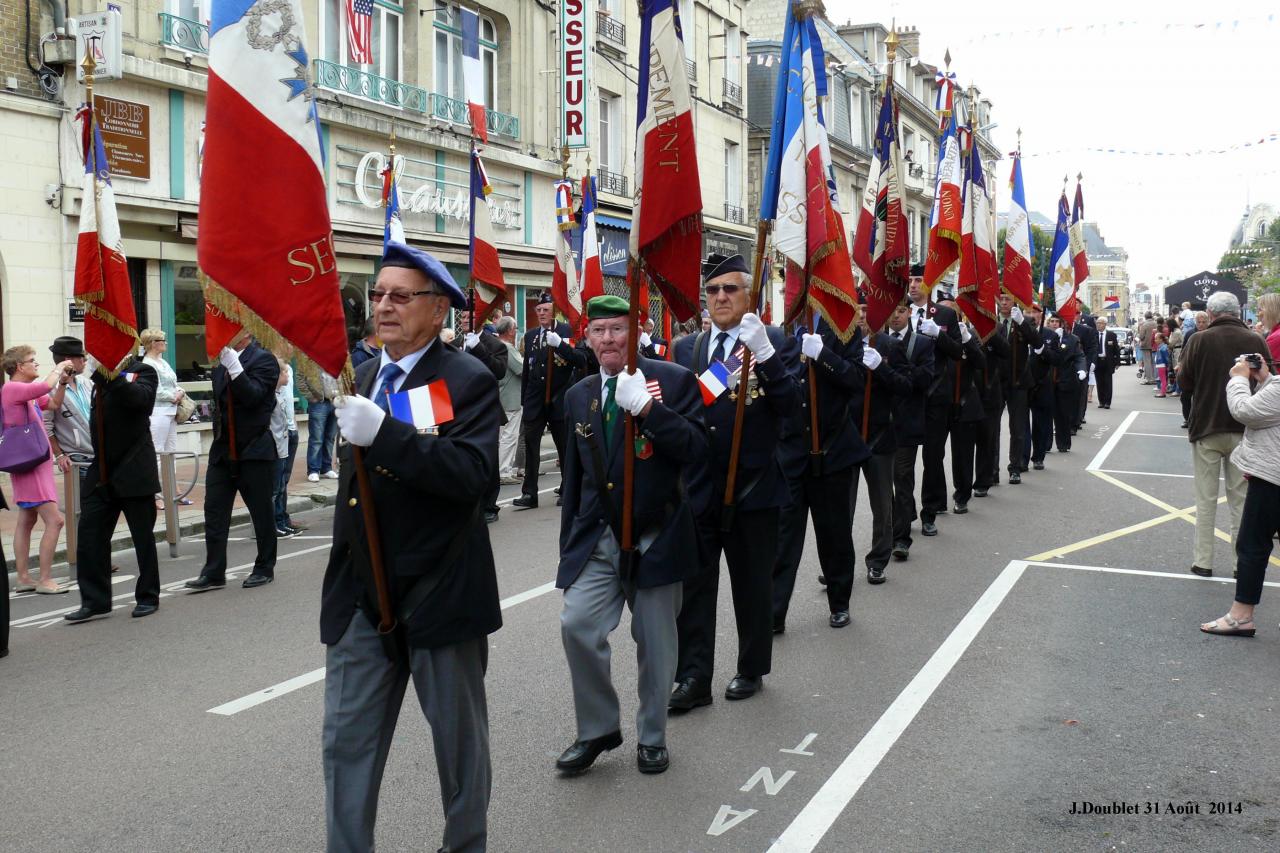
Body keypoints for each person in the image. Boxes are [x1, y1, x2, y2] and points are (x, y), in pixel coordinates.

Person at [322, 241, 500, 852]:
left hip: (439, 594)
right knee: (345, 746)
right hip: (362, 599)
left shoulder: (465, 379)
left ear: (438, 310)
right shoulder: (365, 374)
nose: (384, 306)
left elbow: (471, 476)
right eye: (378, 295)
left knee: (459, 749)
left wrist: (386, 435)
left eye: (401, 296)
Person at [554, 294, 706, 776]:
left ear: (635, 331)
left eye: (617, 329)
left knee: (656, 644)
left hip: (655, 537)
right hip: (598, 540)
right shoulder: (579, 395)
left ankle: (653, 736)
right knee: (577, 625)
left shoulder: (673, 380)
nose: (608, 340)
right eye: (598, 331)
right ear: (587, 338)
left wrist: (647, 411)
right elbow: (575, 480)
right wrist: (568, 550)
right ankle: (598, 727)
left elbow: (697, 449)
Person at [671, 252, 799, 707]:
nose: (720, 297)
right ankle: (694, 678)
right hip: (701, 486)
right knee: (695, 588)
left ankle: (751, 667)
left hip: (754, 486)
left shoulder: (775, 341)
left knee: (752, 587)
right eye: (712, 290)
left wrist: (765, 355)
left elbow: (792, 408)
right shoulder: (687, 348)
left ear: (750, 294)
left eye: (730, 288)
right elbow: (684, 412)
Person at [772, 315, 870, 631]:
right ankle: (774, 611)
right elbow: (745, 374)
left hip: (832, 450)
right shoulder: (779, 333)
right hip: (790, 452)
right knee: (782, 539)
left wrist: (824, 356)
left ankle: (840, 602)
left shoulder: (844, 330)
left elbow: (857, 379)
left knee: (834, 534)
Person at [1176, 291, 1268, 578]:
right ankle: (1240, 564)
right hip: (1244, 428)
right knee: (1240, 501)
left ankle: (1203, 561)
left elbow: (1185, 382)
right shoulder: (1255, 340)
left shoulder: (1199, 340)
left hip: (1206, 425)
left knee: (1205, 499)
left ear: (1212, 314)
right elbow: (1268, 382)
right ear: (1237, 312)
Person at [63, 356, 162, 622]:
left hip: (134, 468)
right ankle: (95, 601)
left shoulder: (143, 371)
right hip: (102, 470)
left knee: (143, 538)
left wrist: (108, 374)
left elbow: (139, 401)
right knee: (89, 536)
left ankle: (148, 595)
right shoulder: (98, 378)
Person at [185, 331, 280, 592]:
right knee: (214, 512)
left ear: (246, 332)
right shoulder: (221, 364)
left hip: (253, 449)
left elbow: (253, 397)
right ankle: (214, 571)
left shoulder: (264, 360)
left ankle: (264, 567)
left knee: (261, 512)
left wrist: (235, 367)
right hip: (223, 450)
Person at [1198, 353, 1279, 637]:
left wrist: (1238, 379)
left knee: (1252, 545)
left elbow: (1245, 411)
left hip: (1273, 475)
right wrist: (1266, 379)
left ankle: (1241, 616)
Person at [2, 346, 71, 595]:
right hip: (30, 464)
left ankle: (23, 577)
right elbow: (43, 387)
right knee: (56, 520)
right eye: (32, 361)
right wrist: (60, 367)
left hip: (34, 462)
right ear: (20, 367)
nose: (36, 364)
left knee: (27, 519)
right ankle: (44, 579)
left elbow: (52, 403)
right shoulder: (13, 388)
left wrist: (62, 383)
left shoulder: (26, 393)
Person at [849, 309, 912, 582]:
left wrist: (881, 368)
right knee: (841, 507)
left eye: (867, 310)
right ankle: (837, 563)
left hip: (879, 436)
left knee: (882, 504)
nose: (863, 316)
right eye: (858, 311)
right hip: (847, 437)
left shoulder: (890, 346)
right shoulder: (841, 344)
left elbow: (906, 386)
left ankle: (877, 559)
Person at [905, 269, 965, 536]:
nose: (914, 285)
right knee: (903, 462)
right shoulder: (898, 311)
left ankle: (929, 512)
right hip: (906, 396)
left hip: (935, 396)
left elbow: (958, 352)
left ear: (928, 284)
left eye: (919, 280)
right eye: (911, 281)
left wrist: (939, 335)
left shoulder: (944, 315)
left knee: (932, 457)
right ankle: (904, 512)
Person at [514, 292, 586, 509]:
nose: (542, 314)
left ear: (554, 310)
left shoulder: (567, 331)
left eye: (546, 309)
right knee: (531, 447)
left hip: (559, 398)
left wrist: (561, 346)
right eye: (539, 310)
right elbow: (528, 369)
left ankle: (567, 489)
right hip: (535, 400)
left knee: (564, 447)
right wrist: (524, 399)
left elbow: (581, 360)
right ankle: (529, 493)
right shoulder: (531, 336)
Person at [887, 302, 936, 562]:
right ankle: (893, 527)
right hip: (881, 423)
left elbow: (925, 378)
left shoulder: (922, 343)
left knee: (902, 478)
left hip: (908, 421)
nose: (895, 316)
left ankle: (901, 539)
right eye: (892, 311)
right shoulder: (878, 339)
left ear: (909, 313)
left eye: (900, 311)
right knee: (884, 484)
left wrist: (897, 367)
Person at [932, 291, 987, 514]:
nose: (947, 313)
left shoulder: (969, 334)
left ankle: (962, 495)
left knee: (963, 455)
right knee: (934, 455)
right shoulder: (934, 334)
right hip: (941, 402)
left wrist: (967, 340)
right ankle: (937, 500)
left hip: (964, 402)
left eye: (951, 309)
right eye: (943, 308)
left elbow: (981, 363)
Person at [459, 310, 508, 524]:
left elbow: (498, 371)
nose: (466, 320)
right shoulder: (454, 344)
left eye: (471, 317)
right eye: (462, 317)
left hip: (485, 409)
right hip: (460, 410)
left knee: (488, 457)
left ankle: (489, 505)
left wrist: (477, 348)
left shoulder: (495, 345)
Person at [995, 296, 1040, 482]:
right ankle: (992, 470)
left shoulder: (1025, 321)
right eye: (1001, 299)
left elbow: (1036, 342)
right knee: (991, 429)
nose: (1004, 303)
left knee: (1018, 427)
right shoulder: (990, 320)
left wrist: (1021, 322)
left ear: (1015, 302)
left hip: (1018, 381)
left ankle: (1015, 467)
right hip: (995, 381)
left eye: (1008, 299)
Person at [43, 336, 95, 494]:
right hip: (77, 458)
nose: (85, 361)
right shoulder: (48, 387)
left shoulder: (87, 382)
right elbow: (46, 425)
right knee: (82, 507)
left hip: (97, 453)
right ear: (68, 360)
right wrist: (59, 455)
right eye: (82, 357)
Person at [139, 329, 186, 492]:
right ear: (153, 343)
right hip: (158, 412)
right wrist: (174, 396)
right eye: (162, 340)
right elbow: (155, 390)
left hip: (171, 411)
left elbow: (173, 382)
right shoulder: (147, 364)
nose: (165, 343)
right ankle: (155, 493)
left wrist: (180, 391)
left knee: (171, 452)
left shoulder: (162, 361)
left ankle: (172, 489)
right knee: (157, 453)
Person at [1045, 313, 1086, 452]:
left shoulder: (1073, 339)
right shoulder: (1044, 337)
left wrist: (1081, 370)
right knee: (1046, 414)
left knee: (1063, 414)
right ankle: (1045, 444)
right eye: (1052, 321)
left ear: (1062, 324)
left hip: (1065, 380)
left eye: (1057, 321)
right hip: (1047, 381)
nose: (1054, 323)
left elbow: (1079, 356)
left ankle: (1063, 444)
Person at [269, 356, 300, 538]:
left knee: (281, 484)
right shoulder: (271, 396)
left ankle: (281, 520)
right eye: (284, 371)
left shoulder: (281, 393)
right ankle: (272, 523)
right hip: (276, 445)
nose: (287, 374)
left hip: (285, 440)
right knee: (274, 488)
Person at [494, 316, 524, 484]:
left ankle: (502, 469)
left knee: (503, 436)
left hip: (502, 395)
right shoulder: (507, 348)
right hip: (511, 397)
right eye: (515, 328)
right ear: (510, 331)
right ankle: (503, 471)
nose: (516, 331)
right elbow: (521, 369)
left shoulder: (496, 345)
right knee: (509, 436)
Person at [299, 367, 340, 483]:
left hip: (335, 400)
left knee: (330, 437)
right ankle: (313, 470)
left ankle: (326, 467)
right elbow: (300, 377)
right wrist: (310, 397)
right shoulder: (310, 358)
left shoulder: (336, 357)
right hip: (319, 403)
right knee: (316, 438)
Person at [1072, 313, 1098, 428]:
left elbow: (1091, 348)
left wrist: (1089, 364)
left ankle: (1078, 418)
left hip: (1081, 366)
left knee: (1080, 394)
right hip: (1064, 368)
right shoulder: (1058, 329)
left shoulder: (1084, 330)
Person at [1094, 317, 1120, 409]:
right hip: (1097, 361)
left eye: (1100, 323)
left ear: (1105, 324)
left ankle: (1107, 402)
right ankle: (1101, 401)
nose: (1098, 325)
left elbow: (1116, 349)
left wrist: (1117, 362)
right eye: (1097, 323)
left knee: (1108, 382)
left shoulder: (1111, 335)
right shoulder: (1094, 334)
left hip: (1108, 361)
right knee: (1099, 382)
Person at [1256, 292, 1280, 365]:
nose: (1258, 314)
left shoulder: (1276, 336)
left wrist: (1258, 338)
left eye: (1260, 310)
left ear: (1270, 311)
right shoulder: (1275, 332)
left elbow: (1261, 363)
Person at [1138, 312, 1157, 384]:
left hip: (1145, 345)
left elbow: (1141, 336)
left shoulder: (1144, 324)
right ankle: (1155, 378)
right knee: (1154, 362)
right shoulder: (1156, 323)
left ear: (1145, 317)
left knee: (1147, 362)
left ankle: (1149, 379)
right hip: (1154, 344)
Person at [1153, 332, 1171, 397]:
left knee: (1163, 379)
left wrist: (1167, 365)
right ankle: (1163, 392)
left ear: (1161, 339)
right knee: (1163, 379)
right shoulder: (1162, 347)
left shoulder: (1162, 347)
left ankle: (1162, 393)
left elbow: (1166, 358)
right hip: (1161, 364)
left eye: (1156, 339)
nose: (1155, 340)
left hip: (1162, 365)